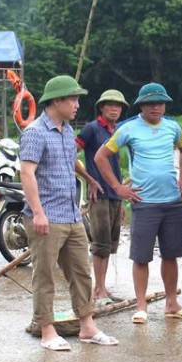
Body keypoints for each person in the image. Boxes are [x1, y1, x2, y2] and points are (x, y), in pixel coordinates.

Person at [19, 75, 118, 351]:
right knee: (45, 275)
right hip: (47, 217)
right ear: (56, 101)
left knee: (81, 273)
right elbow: (27, 172)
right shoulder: (36, 133)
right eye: (72, 99)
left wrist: (89, 178)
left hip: (72, 215)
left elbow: (70, 160)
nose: (77, 104)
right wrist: (38, 213)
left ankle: (87, 326)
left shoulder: (66, 132)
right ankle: (47, 330)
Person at [94, 82, 182, 324]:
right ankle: (141, 306)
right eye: (150, 103)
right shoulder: (128, 129)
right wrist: (118, 188)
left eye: (160, 103)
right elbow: (101, 157)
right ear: (141, 105)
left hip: (172, 201)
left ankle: (172, 303)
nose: (156, 108)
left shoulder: (173, 127)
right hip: (144, 202)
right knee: (141, 257)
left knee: (171, 255)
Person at [75, 89, 128, 305]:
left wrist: (122, 200)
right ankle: (99, 290)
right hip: (99, 196)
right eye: (110, 105)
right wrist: (90, 179)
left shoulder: (118, 132)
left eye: (118, 106)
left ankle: (102, 288)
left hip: (115, 195)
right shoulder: (91, 130)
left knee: (111, 244)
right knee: (100, 243)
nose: (114, 109)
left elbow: (116, 168)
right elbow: (71, 155)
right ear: (102, 107)